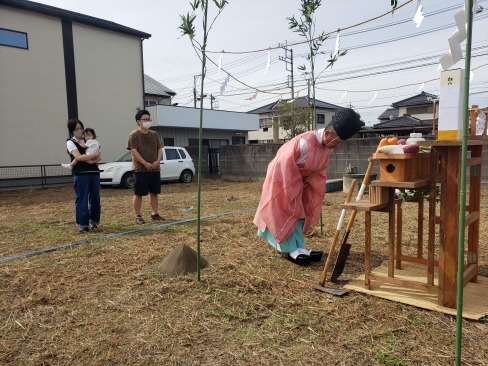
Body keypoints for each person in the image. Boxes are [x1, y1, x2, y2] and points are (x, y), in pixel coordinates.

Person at [253, 108, 362, 266]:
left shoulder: (326, 146)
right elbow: (281, 165)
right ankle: (289, 249)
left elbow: (318, 170)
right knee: (286, 212)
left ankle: (299, 247)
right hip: (282, 182)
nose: (337, 146)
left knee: (300, 213)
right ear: (327, 134)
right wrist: (295, 183)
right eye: (337, 142)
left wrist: (308, 183)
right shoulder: (304, 142)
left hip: (302, 184)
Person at [127, 109, 165, 224]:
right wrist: (145, 163)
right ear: (138, 121)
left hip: (155, 168)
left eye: (149, 119)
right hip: (140, 169)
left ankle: (155, 213)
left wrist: (157, 161)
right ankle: (138, 215)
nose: (147, 121)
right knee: (139, 193)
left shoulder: (154, 134)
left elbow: (160, 148)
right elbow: (133, 151)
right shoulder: (134, 135)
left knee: (154, 192)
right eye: (145, 119)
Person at [66, 119, 102, 233]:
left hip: (94, 173)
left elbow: (99, 156)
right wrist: (93, 156)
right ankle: (82, 224)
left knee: (95, 198)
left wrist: (92, 159)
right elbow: (79, 157)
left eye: (81, 128)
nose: (80, 131)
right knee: (82, 199)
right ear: (72, 130)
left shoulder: (89, 140)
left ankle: (94, 222)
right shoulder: (70, 142)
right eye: (76, 129)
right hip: (81, 174)